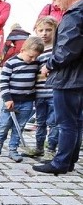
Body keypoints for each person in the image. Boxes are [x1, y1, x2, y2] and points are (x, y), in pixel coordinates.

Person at [34, 0, 83, 175]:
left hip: (69, 78)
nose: (55, 4)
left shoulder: (73, 16)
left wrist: (49, 65)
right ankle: (69, 160)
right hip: (77, 77)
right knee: (76, 122)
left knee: (66, 123)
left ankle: (61, 162)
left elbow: (67, 50)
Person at [0, 36, 44, 162]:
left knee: (19, 126)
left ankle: (13, 149)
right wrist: (7, 98)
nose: (33, 59)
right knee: (4, 124)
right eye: (30, 56)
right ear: (22, 50)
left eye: (36, 57)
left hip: (27, 101)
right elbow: (3, 83)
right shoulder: (11, 63)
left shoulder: (35, 64)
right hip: (11, 100)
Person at [22, 17, 59, 159]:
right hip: (39, 92)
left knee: (54, 122)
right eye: (41, 30)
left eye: (49, 30)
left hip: (53, 91)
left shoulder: (57, 49)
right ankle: (39, 147)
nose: (44, 33)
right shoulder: (35, 50)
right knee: (40, 121)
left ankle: (50, 148)